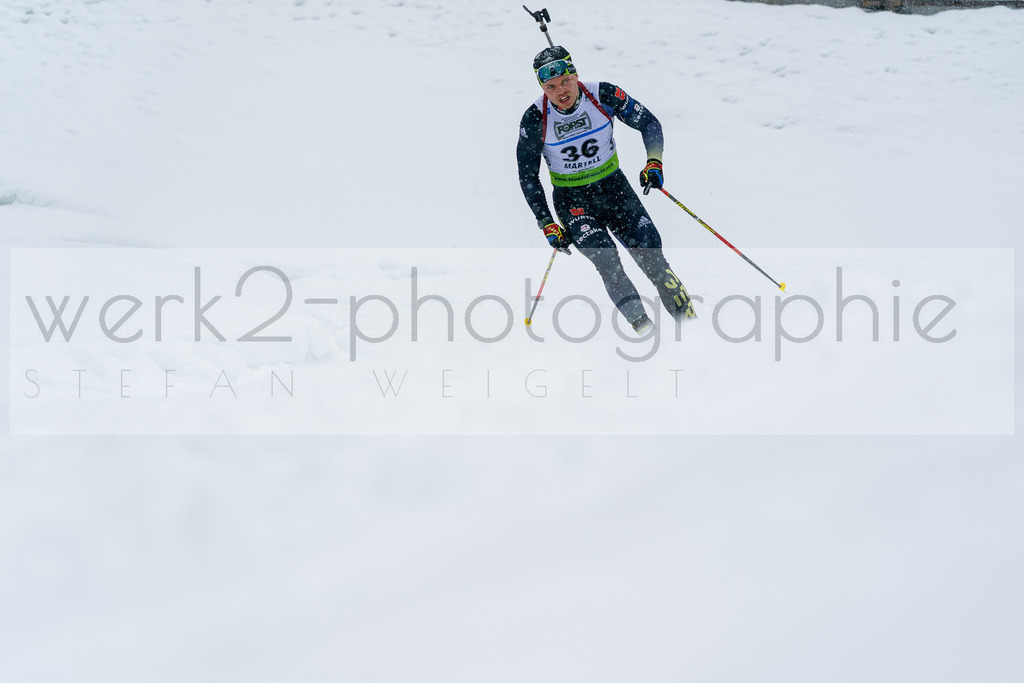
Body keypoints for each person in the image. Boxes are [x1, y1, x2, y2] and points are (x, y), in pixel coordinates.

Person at [516, 45, 695, 334]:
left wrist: (654, 163)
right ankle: (646, 334)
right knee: (607, 260)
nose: (561, 91)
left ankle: (692, 331)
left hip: (614, 189)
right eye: (551, 87)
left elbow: (649, 122)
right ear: (542, 88)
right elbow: (528, 175)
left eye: (565, 81)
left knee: (652, 258)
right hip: (573, 201)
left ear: (575, 75)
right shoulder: (536, 118)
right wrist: (546, 223)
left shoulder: (603, 95)